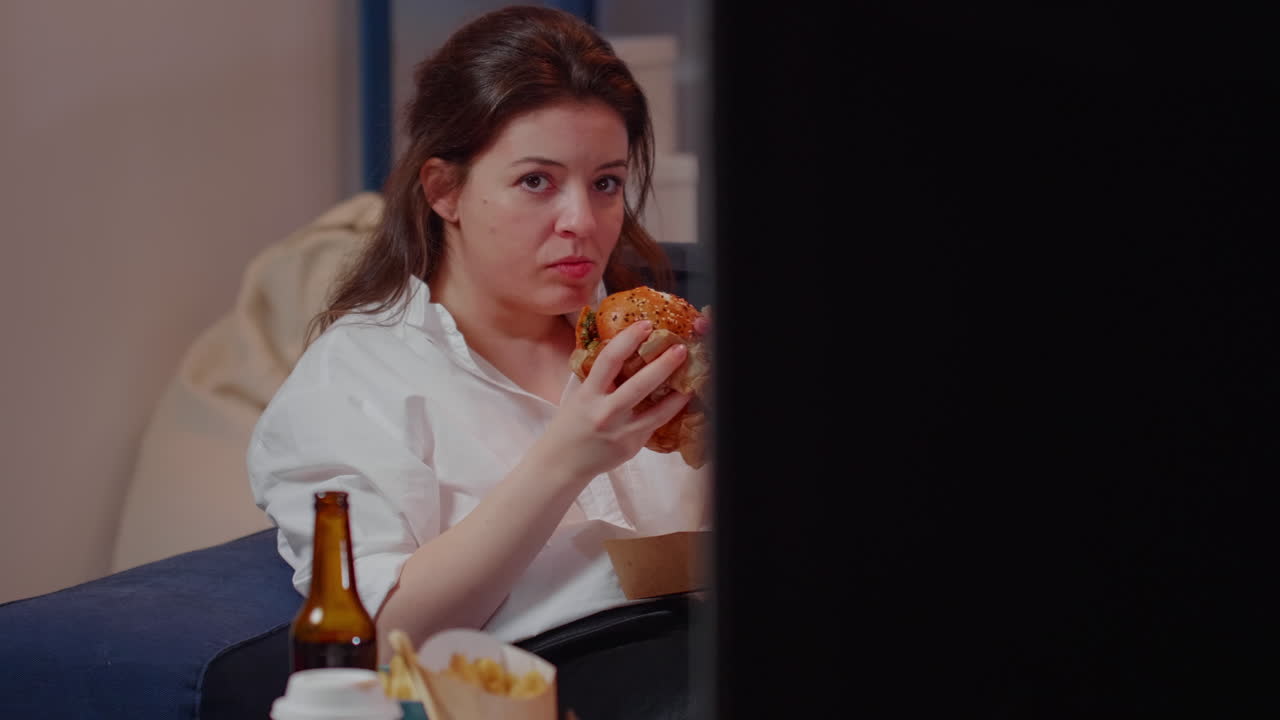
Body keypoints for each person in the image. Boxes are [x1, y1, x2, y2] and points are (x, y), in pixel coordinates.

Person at [247, 5, 712, 714]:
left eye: (606, 183)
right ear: (444, 190)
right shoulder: (356, 381)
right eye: (536, 182)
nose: (582, 223)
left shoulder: (646, 340)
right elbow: (372, 644)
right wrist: (566, 458)